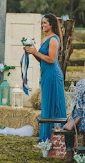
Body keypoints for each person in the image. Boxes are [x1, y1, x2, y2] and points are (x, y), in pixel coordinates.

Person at [24, 13, 67, 142]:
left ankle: (57, 138)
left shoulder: (54, 39)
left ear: (51, 24)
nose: (42, 25)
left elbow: (51, 59)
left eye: (44, 23)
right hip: (46, 74)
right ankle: (46, 137)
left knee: (54, 103)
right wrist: (32, 53)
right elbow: (42, 60)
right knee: (46, 103)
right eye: (42, 23)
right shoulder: (44, 39)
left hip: (53, 75)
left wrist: (36, 52)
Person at [63, 79, 85, 163]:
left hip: (80, 120)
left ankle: (69, 152)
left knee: (70, 124)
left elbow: (79, 107)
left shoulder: (81, 83)